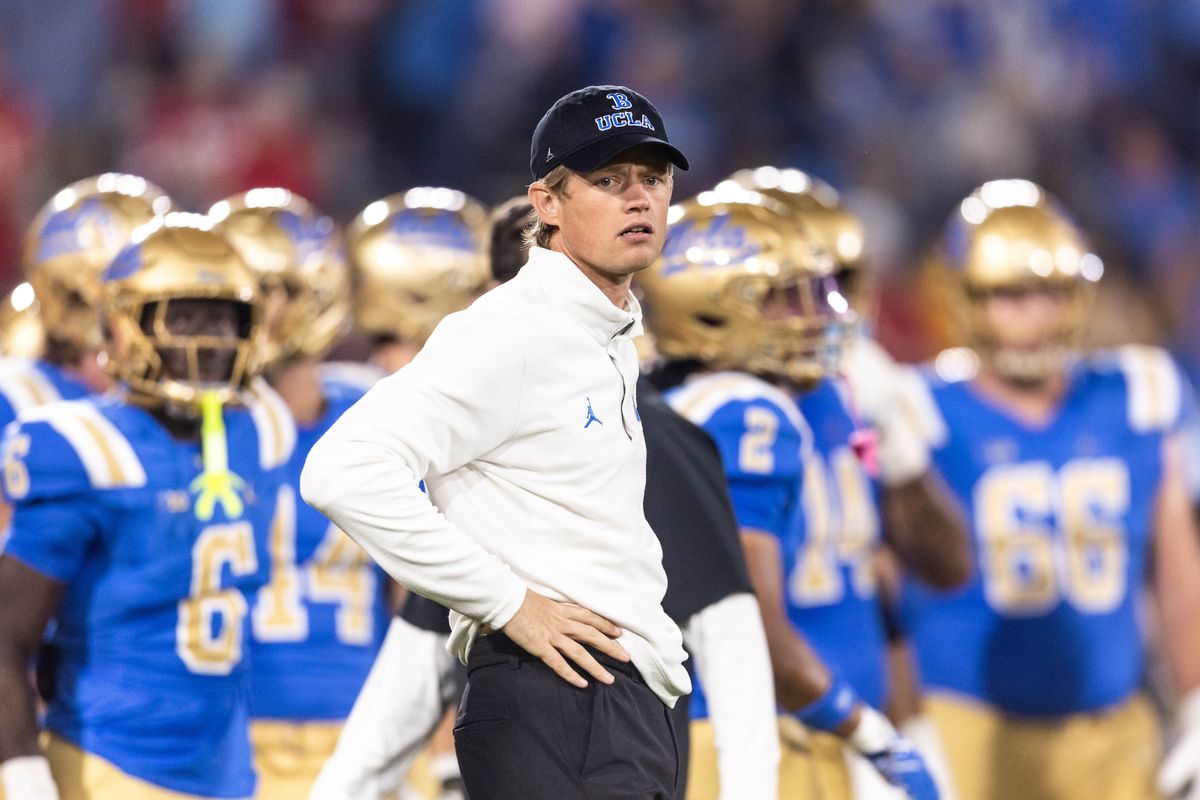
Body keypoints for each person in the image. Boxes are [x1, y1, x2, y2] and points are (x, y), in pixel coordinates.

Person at [311, 196, 780, 800]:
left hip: (611, 739)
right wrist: (514, 605)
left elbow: (406, 682)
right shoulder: (514, 415)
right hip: (567, 735)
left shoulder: (639, 424)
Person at [301, 84, 692, 799]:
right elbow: (341, 468)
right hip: (560, 704)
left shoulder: (602, 333)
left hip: (615, 707)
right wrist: (509, 603)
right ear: (546, 202)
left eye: (654, 178)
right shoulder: (511, 329)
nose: (639, 199)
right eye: (608, 180)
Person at [640, 188, 945, 800]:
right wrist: (869, 730)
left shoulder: (665, 403)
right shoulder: (750, 413)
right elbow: (752, 621)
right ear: (716, 309)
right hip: (759, 736)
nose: (817, 314)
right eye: (787, 298)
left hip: (681, 737)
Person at [899, 179, 1200, 800]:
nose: (1031, 316)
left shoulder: (1138, 392)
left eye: (1048, 293)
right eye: (1009, 295)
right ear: (965, 297)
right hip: (968, 724)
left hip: (1111, 729)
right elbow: (882, 589)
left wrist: (1196, 698)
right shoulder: (917, 410)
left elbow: (1177, 570)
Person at [0, 214, 293, 800]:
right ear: (120, 326)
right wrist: (20, 768)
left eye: (221, 318)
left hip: (230, 770)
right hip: (108, 764)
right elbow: (7, 634)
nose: (206, 340)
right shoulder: (83, 448)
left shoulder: (260, 428)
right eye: (181, 317)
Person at [210, 189, 389, 800]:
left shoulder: (378, 414)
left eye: (264, 289)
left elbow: (421, 596)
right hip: (229, 730)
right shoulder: (196, 430)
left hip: (368, 728)